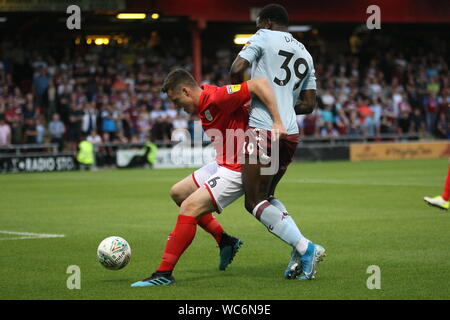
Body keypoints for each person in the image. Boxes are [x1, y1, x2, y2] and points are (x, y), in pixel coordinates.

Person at [131, 69, 281, 287]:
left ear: (185, 90)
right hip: (223, 162)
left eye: (176, 101)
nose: (176, 107)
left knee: (190, 207)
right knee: (179, 193)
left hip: (240, 165)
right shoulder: (205, 103)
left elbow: (259, 84)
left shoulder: (218, 97)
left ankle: (164, 272)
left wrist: (278, 122)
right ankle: (225, 240)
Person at [229, 3, 325, 280]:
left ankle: (305, 247)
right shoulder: (305, 52)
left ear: (268, 22)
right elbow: (308, 104)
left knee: (253, 200)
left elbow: (237, 68)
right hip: (290, 134)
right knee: (267, 196)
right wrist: (282, 106)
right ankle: (299, 249)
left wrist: (242, 100)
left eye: (259, 23)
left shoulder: (261, 37)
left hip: (261, 128)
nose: (257, 28)